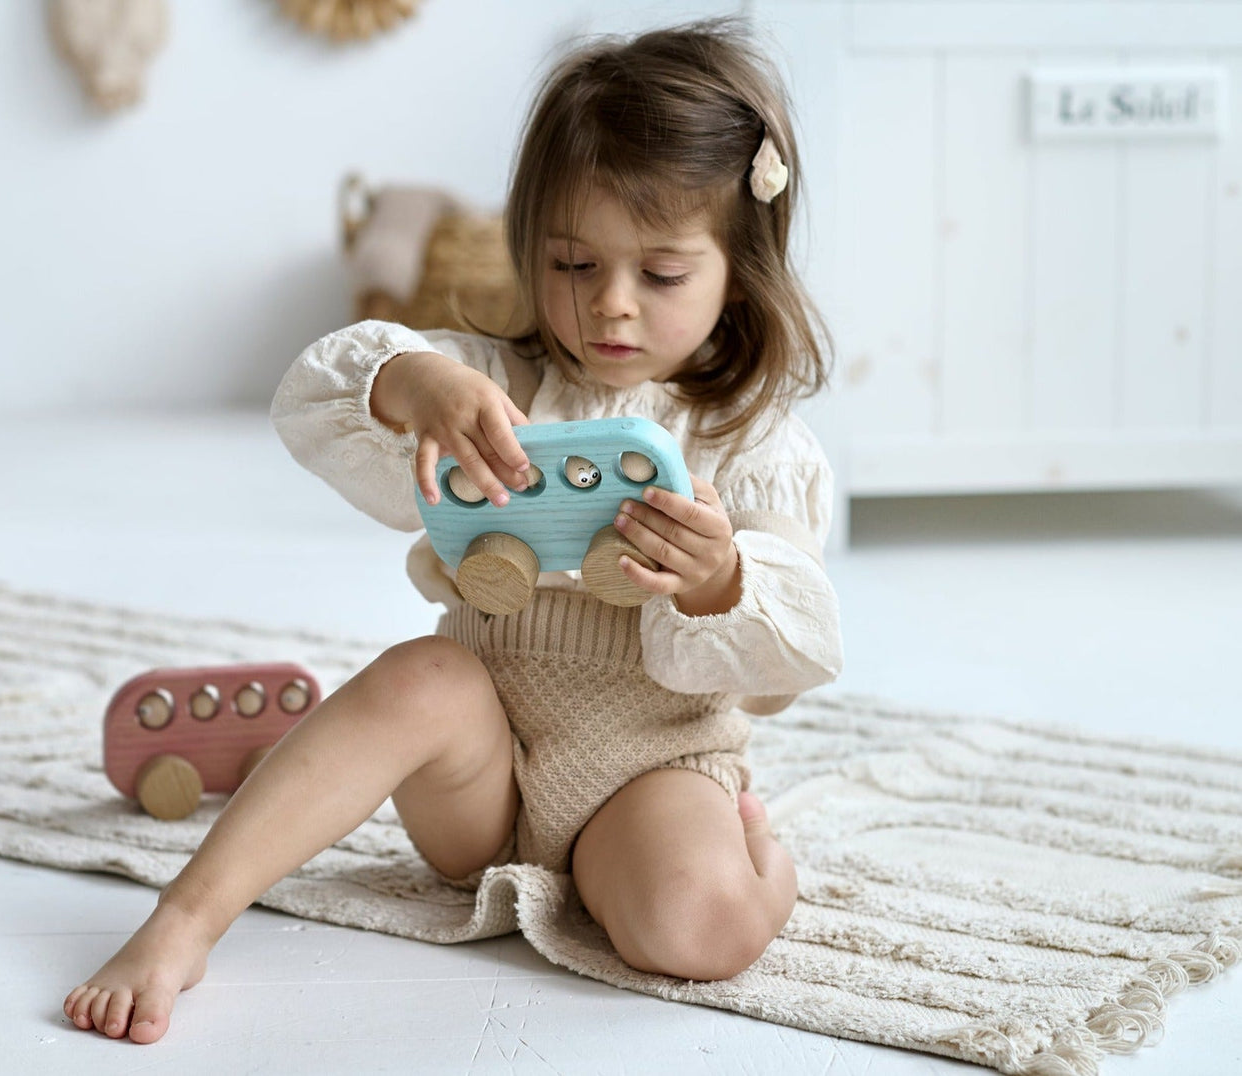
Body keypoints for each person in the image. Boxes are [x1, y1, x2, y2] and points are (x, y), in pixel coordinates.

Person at [64, 17, 842, 1044]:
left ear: (737, 273)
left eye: (659, 275)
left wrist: (718, 577)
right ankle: (185, 918)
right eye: (571, 262)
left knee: (693, 928)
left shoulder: (754, 446)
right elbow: (312, 399)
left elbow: (789, 660)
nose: (609, 306)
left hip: (649, 764)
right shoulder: (492, 384)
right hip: (476, 773)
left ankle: (763, 869)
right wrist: (409, 380)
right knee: (417, 676)